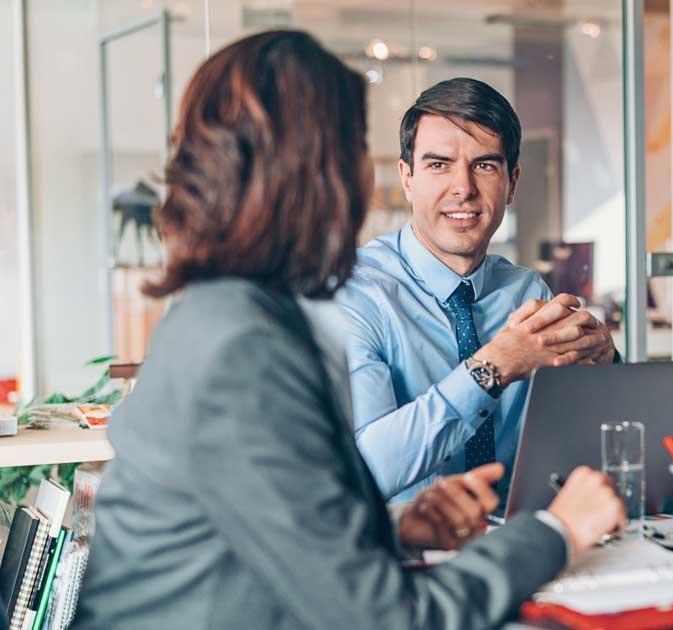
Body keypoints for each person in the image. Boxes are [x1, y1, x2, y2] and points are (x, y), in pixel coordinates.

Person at [73, 31, 625, 630]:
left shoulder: (235, 314)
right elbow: (384, 617)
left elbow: (272, 519)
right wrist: (557, 532)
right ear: (312, 173)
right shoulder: (244, 346)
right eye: (351, 150)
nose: (365, 180)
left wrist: (388, 528)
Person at [337, 78, 617, 501]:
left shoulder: (526, 291)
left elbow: (584, 442)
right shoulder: (355, 295)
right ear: (407, 177)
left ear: (513, 182)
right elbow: (367, 470)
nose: (463, 188)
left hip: (523, 535)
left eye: (484, 165)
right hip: (410, 549)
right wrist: (492, 367)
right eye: (438, 165)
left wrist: (606, 364)